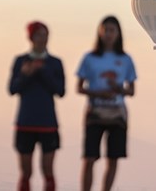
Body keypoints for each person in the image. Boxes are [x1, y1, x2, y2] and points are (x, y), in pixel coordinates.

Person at [77, 16, 137, 191]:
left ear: (118, 34)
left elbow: (131, 90)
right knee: (89, 158)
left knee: (113, 158)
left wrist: (119, 89)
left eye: (112, 30)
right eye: (106, 30)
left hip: (117, 114)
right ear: (100, 32)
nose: (109, 34)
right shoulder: (89, 58)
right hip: (95, 112)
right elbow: (79, 87)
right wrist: (98, 92)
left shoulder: (126, 59)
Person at [9, 21, 65, 191]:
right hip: (25, 122)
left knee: (48, 170)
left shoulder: (55, 63)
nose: (43, 39)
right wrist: (26, 75)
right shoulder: (21, 61)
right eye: (39, 35)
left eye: (45, 35)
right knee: (25, 172)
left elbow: (60, 91)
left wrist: (43, 72)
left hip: (48, 123)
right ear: (31, 37)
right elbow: (13, 89)